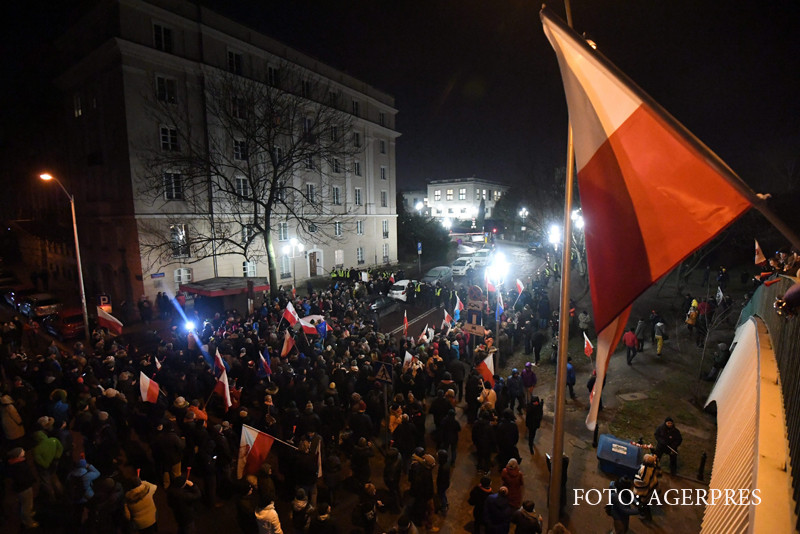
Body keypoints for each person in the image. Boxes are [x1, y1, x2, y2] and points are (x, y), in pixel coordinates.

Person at [7, 447, 38, 529]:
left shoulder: (16, 463)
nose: (24, 451)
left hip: (24, 487)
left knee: (27, 503)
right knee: (26, 505)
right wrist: (31, 481)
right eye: (21, 451)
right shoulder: (18, 466)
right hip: (24, 488)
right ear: (18, 455)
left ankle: (28, 513)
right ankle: (28, 521)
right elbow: (22, 479)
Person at [633, 454, 660, 521]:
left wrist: (636, 479)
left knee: (644, 503)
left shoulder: (644, 470)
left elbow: (643, 482)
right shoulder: (653, 466)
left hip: (645, 490)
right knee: (644, 501)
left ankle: (646, 515)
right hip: (652, 485)